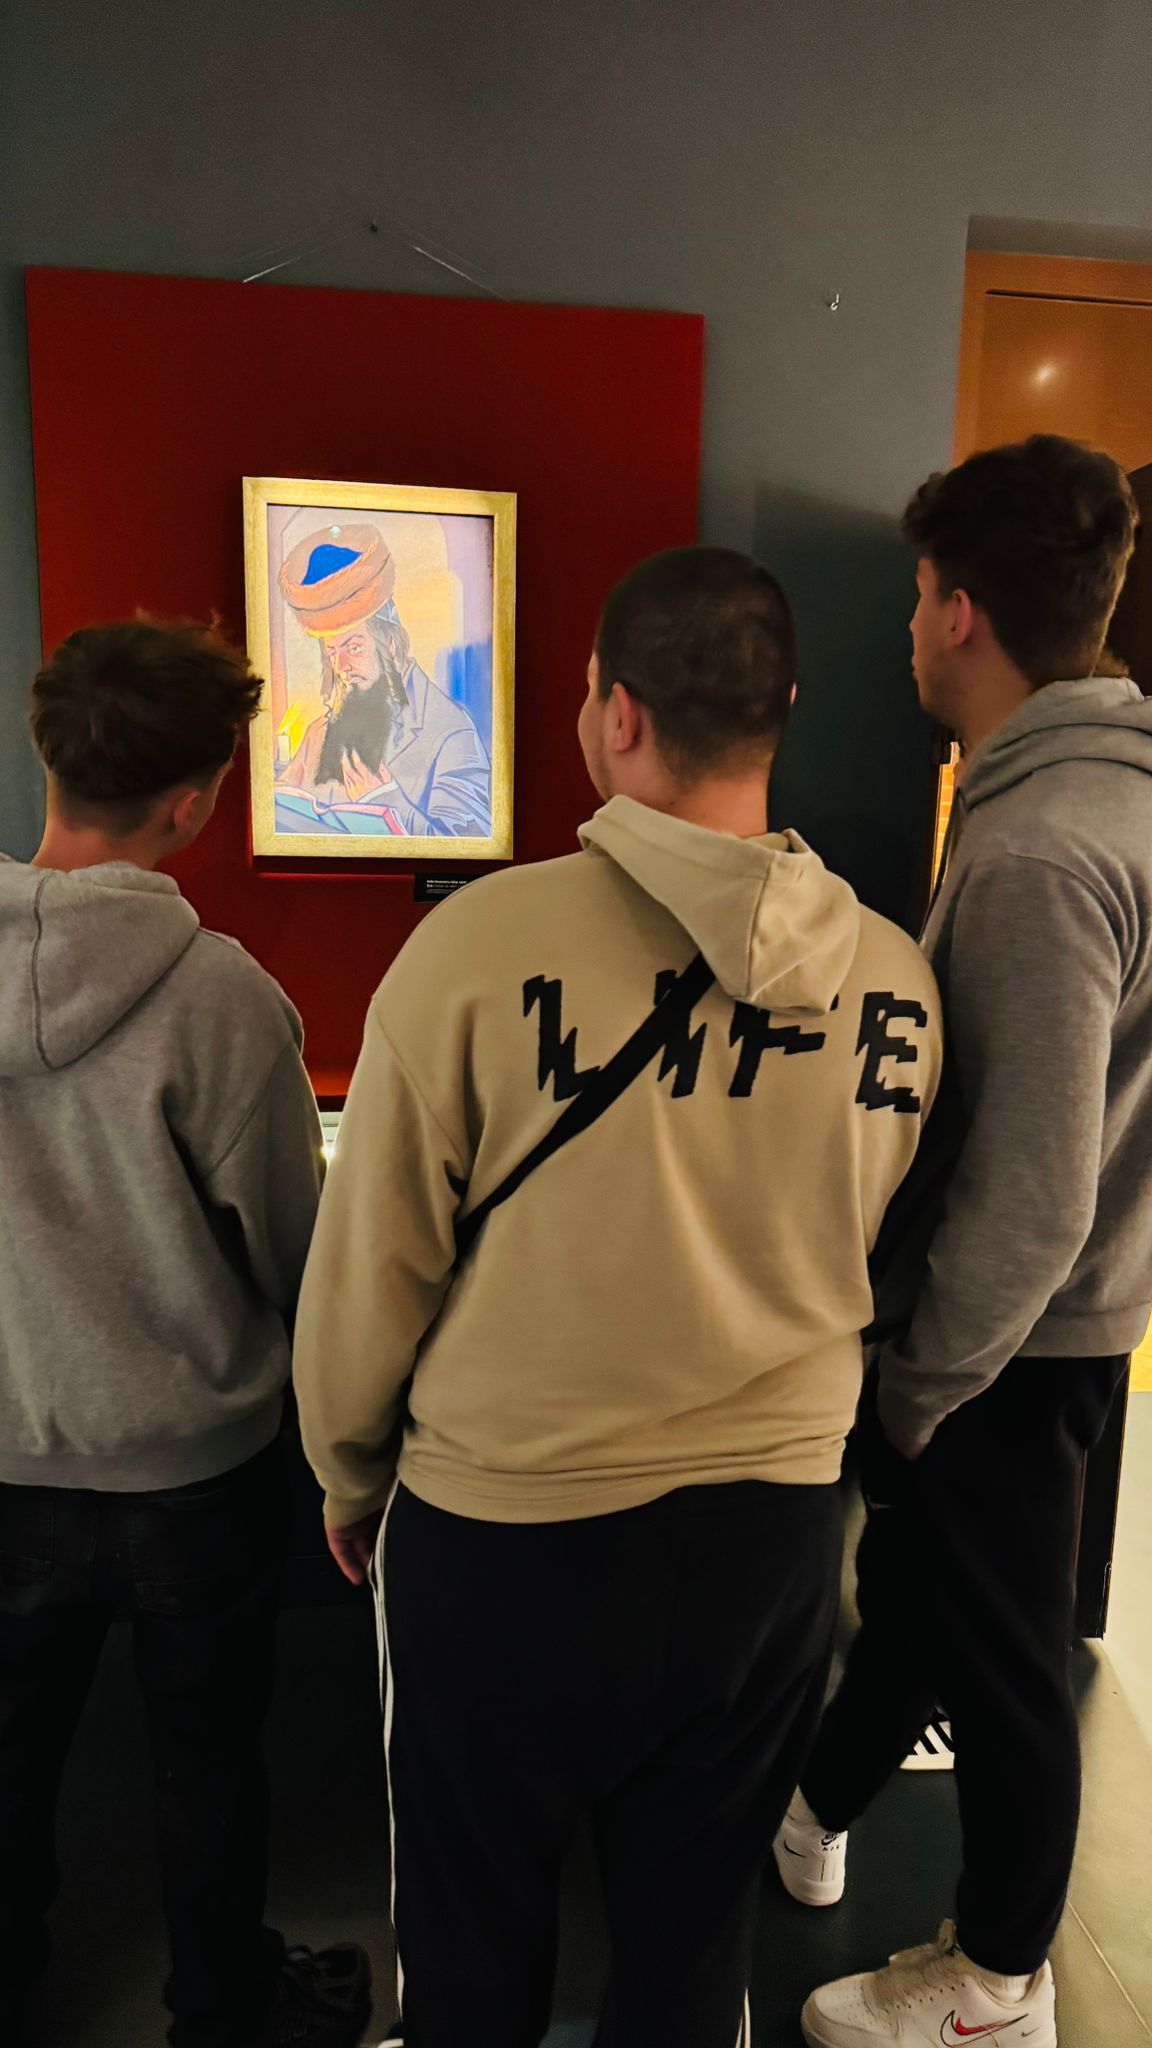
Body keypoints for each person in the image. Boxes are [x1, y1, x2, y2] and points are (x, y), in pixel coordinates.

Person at [293, 546, 943, 2048]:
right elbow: (874, 1234)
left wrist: (346, 1471)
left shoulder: (469, 952)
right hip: (774, 1537)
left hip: (506, 1525)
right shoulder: (897, 980)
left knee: (471, 1942)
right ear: (780, 712)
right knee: (691, 1942)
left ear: (617, 715)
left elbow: (371, 1267)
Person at [779, 437, 1145, 2048]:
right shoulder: (1095, 801)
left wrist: (922, 1385)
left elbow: (1037, 1187)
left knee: (1003, 1668)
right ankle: (815, 1811)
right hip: (1062, 1322)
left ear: (960, 613)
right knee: (931, 1602)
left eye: (922, 593)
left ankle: (999, 1984)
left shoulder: (1039, 847)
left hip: (1011, 1334)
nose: (912, 625)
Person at [0, 621, 371, 2048]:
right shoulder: (226, 1000)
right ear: (197, 800)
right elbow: (295, 1251)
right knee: (209, 1760)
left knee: (10, 1760)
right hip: (195, 1475)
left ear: (46, 747)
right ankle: (222, 2005)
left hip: (11, 1456)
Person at [277, 524, 492, 836]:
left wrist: (384, 801)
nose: (341, 667)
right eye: (331, 653)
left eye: (353, 648)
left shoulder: (451, 732)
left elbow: (471, 842)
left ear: (390, 644)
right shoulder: (319, 733)